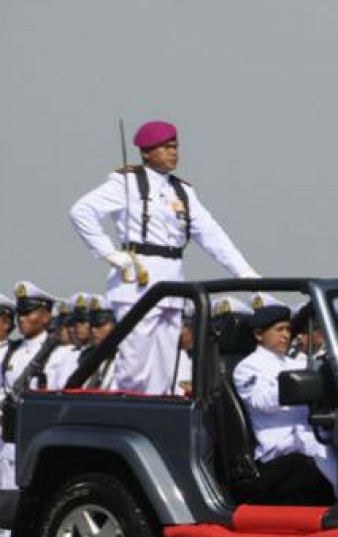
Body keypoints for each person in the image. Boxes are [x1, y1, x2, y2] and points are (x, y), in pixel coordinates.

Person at [70, 120, 260, 395]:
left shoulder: (182, 191)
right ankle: (129, 411)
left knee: (165, 363)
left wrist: (243, 271)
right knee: (136, 365)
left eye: (175, 147)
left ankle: (156, 414)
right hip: (138, 282)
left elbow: (210, 234)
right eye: (166, 147)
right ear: (147, 152)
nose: (173, 153)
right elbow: (81, 211)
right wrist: (110, 253)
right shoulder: (127, 184)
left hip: (171, 280)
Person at [0, 282, 77, 537]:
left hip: (38, 439)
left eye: (30, 313)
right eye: (21, 313)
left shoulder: (59, 353)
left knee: (36, 505)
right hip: (10, 438)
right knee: (8, 506)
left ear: (47, 315)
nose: (23, 319)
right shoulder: (16, 351)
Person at [232, 293, 337, 505]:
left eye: (288, 329)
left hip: (311, 442)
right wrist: (294, 386)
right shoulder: (247, 367)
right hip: (280, 450)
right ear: (259, 334)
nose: (286, 336)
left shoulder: (293, 362)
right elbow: (261, 401)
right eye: (279, 330)